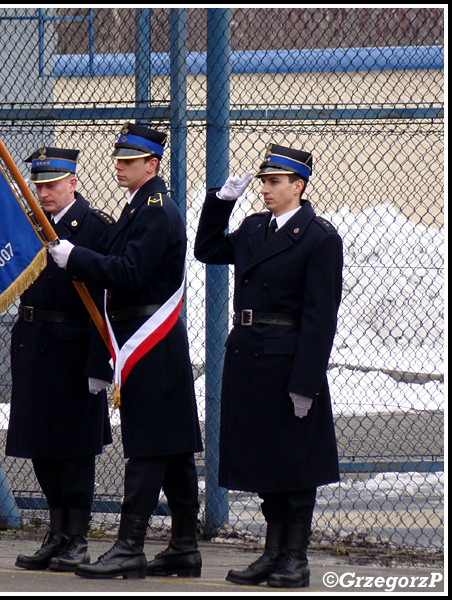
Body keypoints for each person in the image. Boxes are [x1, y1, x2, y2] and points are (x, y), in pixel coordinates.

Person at [49, 123, 203, 580]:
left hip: (151, 339)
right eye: (118, 158)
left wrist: (75, 258)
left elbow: (131, 272)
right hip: (144, 336)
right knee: (172, 448)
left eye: (129, 160)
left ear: (152, 165)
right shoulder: (138, 207)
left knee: (150, 446)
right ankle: (184, 547)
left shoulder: (156, 210)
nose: (119, 165)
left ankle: (130, 547)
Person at [194, 144, 343, 588]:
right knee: (265, 463)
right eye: (263, 181)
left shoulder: (319, 237)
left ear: (298, 185)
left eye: (274, 182)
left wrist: (306, 382)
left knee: (294, 464)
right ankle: (272, 553)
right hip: (249, 356)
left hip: (288, 361)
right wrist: (220, 203)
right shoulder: (254, 226)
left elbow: (321, 319)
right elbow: (207, 249)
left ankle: (294, 558)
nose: (265, 189)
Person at [8, 147, 114, 573]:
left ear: (73, 182)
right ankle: (56, 532)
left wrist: (98, 363)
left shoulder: (94, 227)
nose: (45, 193)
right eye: (39, 186)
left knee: (75, 449)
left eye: (52, 185)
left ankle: (78, 536)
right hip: (33, 341)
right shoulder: (29, 223)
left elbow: (105, 299)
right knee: (40, 445)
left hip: (75, 345)